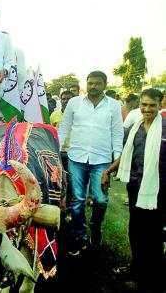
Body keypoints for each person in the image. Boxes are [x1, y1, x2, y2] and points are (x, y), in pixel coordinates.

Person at [102, 88, 165, 292]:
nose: (147, 109)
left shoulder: (165, 129)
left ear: (160, 105)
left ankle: (153, 275)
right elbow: (125, 155)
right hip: (136, 186)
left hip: (159, 189)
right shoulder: (134, 128)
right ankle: (136, 268)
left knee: (154, 234)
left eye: (152, 105)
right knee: (136, 230)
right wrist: (108, 171)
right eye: (144, 105)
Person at [58, 70, 123, 256]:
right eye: (90, 83)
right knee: (77, 200)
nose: (93, 86)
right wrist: (56, 152)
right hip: (76, 158)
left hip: (101, 160)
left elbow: (117, 133)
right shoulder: (74, 103)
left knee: (100, 200)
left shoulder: (114, 106)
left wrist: (116, 159)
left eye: (97, 83)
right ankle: (79, 236)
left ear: (105, 84)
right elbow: (64, 128)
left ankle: (95, 227)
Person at [50, 90, 74, 219]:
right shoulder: (54, 115)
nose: (66, 101)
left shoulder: (78, 115)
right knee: (55, 180)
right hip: (56, 153)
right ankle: (55, 206)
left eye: (69, 98)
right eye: (63, 98)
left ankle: (69, 209)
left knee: (70, 182)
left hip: (72, 154)